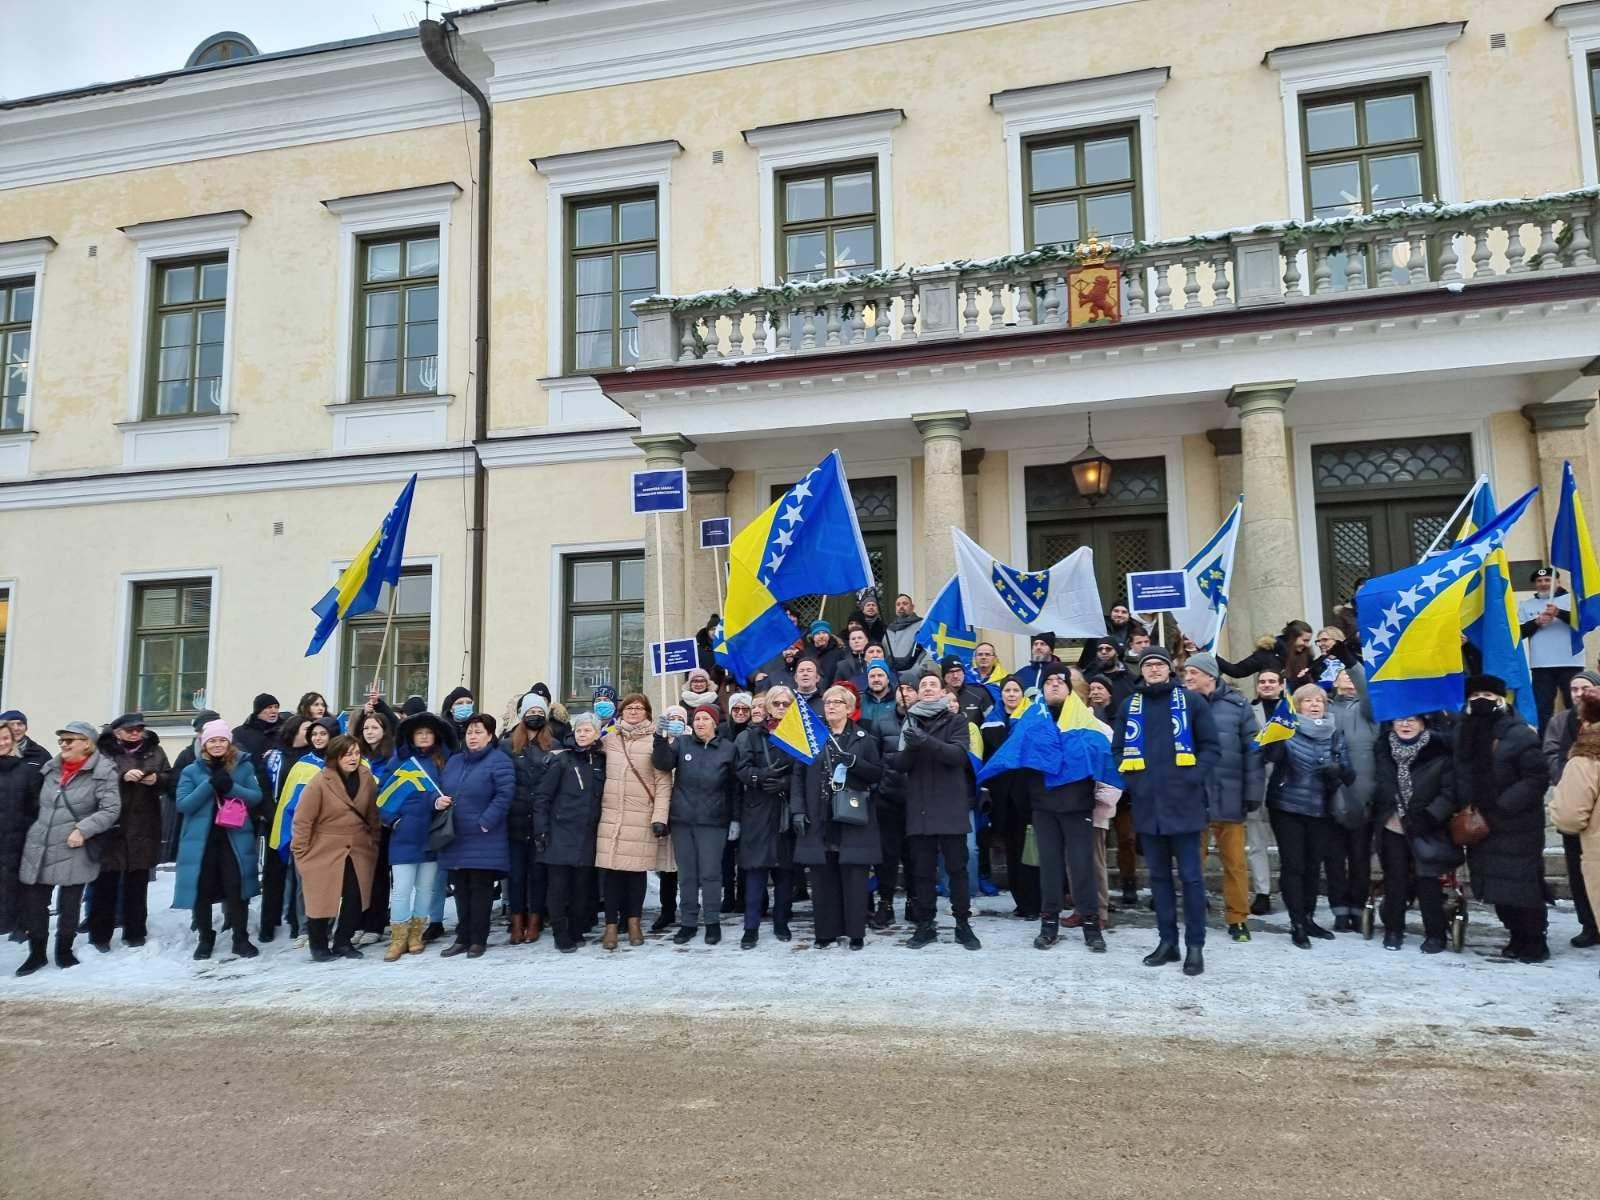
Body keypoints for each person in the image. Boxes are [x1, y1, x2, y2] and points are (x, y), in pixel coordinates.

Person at [1111, 649, 1221, 976]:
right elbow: (1118, 749)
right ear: (1142, 671)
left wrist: (1192, 777)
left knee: (1191, 878)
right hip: (1148, 806)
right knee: (1158, 880)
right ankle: (1167, 942)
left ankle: (1195, 945)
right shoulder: (1130, 706)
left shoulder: (1191, 702)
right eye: (1148, 665)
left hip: (1184, 805)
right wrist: (1135, 781)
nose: (1154, 669)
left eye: (1160, 664)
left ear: (1170, 670)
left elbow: (1211, 747)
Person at [1456, 675, 1550, 963]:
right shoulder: (1464, 731)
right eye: (1474, 696)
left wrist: (1503, 804)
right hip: (1482, 825)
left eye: (1486, 694)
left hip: (1516, 824)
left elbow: (1537, 777)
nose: (1480, 700)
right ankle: (1515, 936)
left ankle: (1534, 940)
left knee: (1523, 888)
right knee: (1498, 888)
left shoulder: (1520, 733)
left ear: (1501, 698)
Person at [14, 722, 120, 973]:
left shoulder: (104, 771)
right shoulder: (50, 768)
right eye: (62, 740)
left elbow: (111, 810)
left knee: (69, 904)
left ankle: (64, 951)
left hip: (74, 844)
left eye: (70, 740)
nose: (64, 744)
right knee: (35, 903)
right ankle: (36, 953)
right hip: (41, 842)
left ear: (87, 743)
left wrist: (83, 830)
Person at [790, 684, 883, 949]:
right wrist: (797, 810)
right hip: (818, 817)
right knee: (822, 879)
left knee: (854, 878)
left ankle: (855, 933)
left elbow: (877, 774)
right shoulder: (811, 736)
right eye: (828, 702)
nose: (830, 706)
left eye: (837, 702)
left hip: (852, 817)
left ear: (850, 708)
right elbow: (797, 776)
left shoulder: (864, 738)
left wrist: (855, 762)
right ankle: (825, 932)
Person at [1027, 664, 1112, 952]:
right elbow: (1019, 755)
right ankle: (1048, 923)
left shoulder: (1085, 722)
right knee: (1049, 867)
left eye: (1059, 681)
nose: (1053, 685)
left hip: (1077, 804)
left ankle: (1091, 924)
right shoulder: (1033, 719)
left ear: (1068, 687)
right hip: (1043, 804)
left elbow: (1101, 757)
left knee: (1082, 866)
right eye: (1048, 681)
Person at [1263, 685, 1354, 949]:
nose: (1315, 705)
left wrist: (1337, 770)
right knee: (1294, 865)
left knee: (1314, 865)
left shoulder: (1335, 733)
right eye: (1308, 701)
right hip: (1287, 807)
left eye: (1320, 700)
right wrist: (1275, 738)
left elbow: (1350, 774)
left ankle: (1309, 917)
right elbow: (1267, 757)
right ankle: (1296, 922)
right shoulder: (1287, 729)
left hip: (1321, 809)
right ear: (1298, 705)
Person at [895, 669, 980, 950]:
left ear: (943, 692)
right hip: (919, 806)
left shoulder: (957, 721)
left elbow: (957, 756)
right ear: (918, 693)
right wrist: (910, 745)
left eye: (934, 684)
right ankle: (925, 925)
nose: (929, 688)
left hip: (950, 806)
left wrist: (926, 741)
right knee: (922, 871)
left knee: (957, 869)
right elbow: (901, 766)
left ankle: (962, 924)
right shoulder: (911, 721)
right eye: (924, 685)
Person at [1181, 654, 1262, 943]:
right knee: (1192, 861)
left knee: (1235, 863)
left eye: (1192, 672)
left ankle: (1238, 919)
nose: (1187, 677)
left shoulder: (1238, 705)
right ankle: (1194, 909)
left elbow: (1253, 751)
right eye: (1185, 672)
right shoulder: (1180, 706)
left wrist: (1253, 793)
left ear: (1209, 674)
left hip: (1230, 795)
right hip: (1193, 797)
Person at [172, 720, 262, 963]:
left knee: (237, 888)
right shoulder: (191, 771)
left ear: (229, 742)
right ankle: (205, 938)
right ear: (204, 743)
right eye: (212, 740)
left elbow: (255, 797)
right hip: (201, 842)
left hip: (234, 838)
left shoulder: (243, 766)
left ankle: (240, 938)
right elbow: (183, 804)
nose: (218, 744)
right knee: (201, 890)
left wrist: (231, 787)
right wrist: (208, 785)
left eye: (222, 740)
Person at [290, 733, 381, 961]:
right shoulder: (320, 781)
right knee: (321, 899)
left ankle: (343, 941)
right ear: (335, 757)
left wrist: (374, 840)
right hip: (324, 847)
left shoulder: (366, 776)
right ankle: (319, 946)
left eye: (357, 753)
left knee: (355, 897)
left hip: (359, 847)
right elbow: (303, 820)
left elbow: (372, 813)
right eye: (347, 754)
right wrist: (301, 853)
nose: (353, 758)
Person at [1372, 713, 1458, 952]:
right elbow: (1377, 784)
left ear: (1423, 724)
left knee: (1427, 880)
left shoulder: (1439, 750)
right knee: (1395, 879)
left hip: (1427, 824)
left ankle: (1435, 934)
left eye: (1412, 720)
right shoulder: (1382, 750)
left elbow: (1450, 792)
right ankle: (1393, 930)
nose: (1405, 724)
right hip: (1393, 823)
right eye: (1400, 720)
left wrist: (1431, 816)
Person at [653, 703, 737, 945]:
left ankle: (712, 922)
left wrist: (734, 819)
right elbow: (662, 763)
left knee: (711, 874)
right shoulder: (683, 743)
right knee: (687, 875)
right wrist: (660, 738)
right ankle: (688, 922)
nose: (700, 723)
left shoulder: (727, 749)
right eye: (696, 719)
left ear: (714, 723)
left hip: (714, 822)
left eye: (705, 719)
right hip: (683, 820)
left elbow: (734, 788)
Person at [87, 713, 171, 952]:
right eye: (130, 730)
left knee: (138, 882)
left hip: (145, 824)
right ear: (117, 732)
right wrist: (122, 776)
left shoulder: (154, 750)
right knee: (106, 883)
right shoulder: (104, 751)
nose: (136, 733)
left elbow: (170, 777)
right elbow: (94, 778)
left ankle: (136, 932)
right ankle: (100, 934)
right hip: (112, 823)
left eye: (139, 729)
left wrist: (157, 779)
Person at [435, 714, 515, 957]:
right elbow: (441, 788)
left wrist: (486, 822)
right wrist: (437, 801)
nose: (473, 737)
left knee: (480, 890)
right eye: (470, 732)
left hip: (484, 837)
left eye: (479, 732)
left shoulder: (499, 760)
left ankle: (478, 939)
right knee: (461, 889)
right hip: (457, 837)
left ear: (490, 736)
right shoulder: (455, 761)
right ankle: (462, 937)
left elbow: (505, 795)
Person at [596, 694, 672, 949]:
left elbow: (663, 784)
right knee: (612, 875)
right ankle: (610, 926)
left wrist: (660, 816)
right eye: (629, 708)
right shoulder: (610, 739)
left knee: (635, 874)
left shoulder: (655, 741)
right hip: (611, 815)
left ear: (648, 713)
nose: (634, 712)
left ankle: (634, 922)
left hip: (640, 816)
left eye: (639, 708)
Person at [380, 711, 453, 960]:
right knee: (401, 890)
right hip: (404, 835)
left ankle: (415, 935)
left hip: (432, 834)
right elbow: (383, 794)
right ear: (412, 736)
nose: (423, 737)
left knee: (425, 889)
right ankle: (398, 937)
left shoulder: (444, 760)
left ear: (435, 736)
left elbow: (449, 789)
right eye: (419, 733)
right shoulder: (400, 761)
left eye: (428, 733)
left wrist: (438, 803)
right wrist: (393, 820)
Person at [534, 711, 605, 953]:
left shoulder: (600, 760)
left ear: (597, 735)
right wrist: (541, 829)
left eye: (588, 730)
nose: (582, 734)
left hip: (587, 834)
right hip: (560, 832)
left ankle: (576, 928)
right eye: (579, 730)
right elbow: (543, 797)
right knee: (558, 887)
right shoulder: (561, 760)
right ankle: (560, 933)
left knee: (581, 887)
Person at [734, 688, 797, 946]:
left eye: (786, 703)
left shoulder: (799, 736)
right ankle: (751, 927)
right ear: (768, 706)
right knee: (755, 871)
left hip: (786, 809)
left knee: (785, 872)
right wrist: (762, 776)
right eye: (777, 703)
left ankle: (781, 922)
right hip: (757, 810)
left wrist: (786, 783)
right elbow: (741, 769)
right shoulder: (751, 736)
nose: (781, 707)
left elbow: (809, 771)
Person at [1542, 670, 1600, 948]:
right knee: (1578, 874)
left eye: (1585, 689)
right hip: (1574, 800)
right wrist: (1565, 775)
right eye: (1574, 689)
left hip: (1586, 815)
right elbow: (1550, 753)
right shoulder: (1560, 720)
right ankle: (1588, 924)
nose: (1578, 694)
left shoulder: (1590, 749)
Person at [980, 675, 1041, 922]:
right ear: (1001, 694)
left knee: (1030, 853)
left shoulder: (1031, 720)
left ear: (1022, 694)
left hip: (1027, 797)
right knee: (1011, 852)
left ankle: (1034, 902)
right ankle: (1020, 901)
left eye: (1016, 690)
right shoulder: (990, 723)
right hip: (1002, 799)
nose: (1012, 694)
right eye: (1007, 690)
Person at [1325, 666, 1378, 931]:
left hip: (1362, 795)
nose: (1346, 676)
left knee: (1359, 858)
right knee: (1334, 858)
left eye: (1351, 674)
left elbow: (1369, 693)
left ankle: (1358, 909)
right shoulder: (1325, 709)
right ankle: (1339, 910)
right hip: (1331, 795)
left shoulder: (1368, 709)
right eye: (1341, 673)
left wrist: (1351, 662)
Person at [503, 693, 557, 945]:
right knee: (515, 876)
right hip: (514, 820)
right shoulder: (507, 746)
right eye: (530, 712)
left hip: (542, 822)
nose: (534, 716)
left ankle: (535, 921)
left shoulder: (554, 745)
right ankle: (516, 922)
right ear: (522, 715)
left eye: (539, 712)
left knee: (537, 875)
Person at [1520, 566, 1585, 733]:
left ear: (1557, 582)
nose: (1543, 583)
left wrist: (1559, 613)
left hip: (1571, 662)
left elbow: (1583, 624)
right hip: (1541, 665)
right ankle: (1544, 746)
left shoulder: (1572, 600)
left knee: (1576, 706)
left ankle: (1579, 740)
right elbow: (1518, 633)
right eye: (1539, 581)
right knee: (1543, 708)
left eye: (1548, 580)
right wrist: (1536, 622)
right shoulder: (1526, 605)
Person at [353, 709, 398, 946]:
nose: (370, 732)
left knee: (379, 875)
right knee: (360, 876)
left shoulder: (391, 756)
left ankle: (376, 922)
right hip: (358, 825)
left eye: (375, 728)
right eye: (366, 728)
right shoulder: (356, 756)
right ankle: (358, 920)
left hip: (382, 824)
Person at [1246, 668, 1285, 913]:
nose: (1267, 685)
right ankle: (1262, 891)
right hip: (1257, 778)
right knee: (1257, 839)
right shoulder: (1247, 710)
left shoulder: (1292, 709)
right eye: (1262, 681)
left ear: (1281, 685)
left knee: (1286, 839)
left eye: (1272, 681)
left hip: (1287, 780)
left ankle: (1289, 886)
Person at [0, 723, 42, 941]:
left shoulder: (25, 770)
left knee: (16, 892)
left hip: (16, 843)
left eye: (6, 738)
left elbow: (35, 807)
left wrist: (23, 828)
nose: (2, 742)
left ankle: (19, 928)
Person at [1220, 621, 1312, 691]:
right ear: (1292, 637)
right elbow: (1237, 671)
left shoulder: (1305, 655)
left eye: (1308, 641)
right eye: (1305, 640)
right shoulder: (1266, 655)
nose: (1307, 645)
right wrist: (1212, 657)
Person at [883, 593, 930, 676]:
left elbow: (927, 651)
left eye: (905, 603)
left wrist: (918, 671)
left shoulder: (922, 626)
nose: (901, 606)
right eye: (898, 604)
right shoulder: (888, 630)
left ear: (912, 607)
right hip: (892, 678)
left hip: (914, 676)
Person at [941, 655, 993, 726]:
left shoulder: (979, 694)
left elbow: (992, 722)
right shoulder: (937, 697)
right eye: (950, 672)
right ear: (943, 676)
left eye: (958, 671)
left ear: (963, 673)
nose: (955, 676)